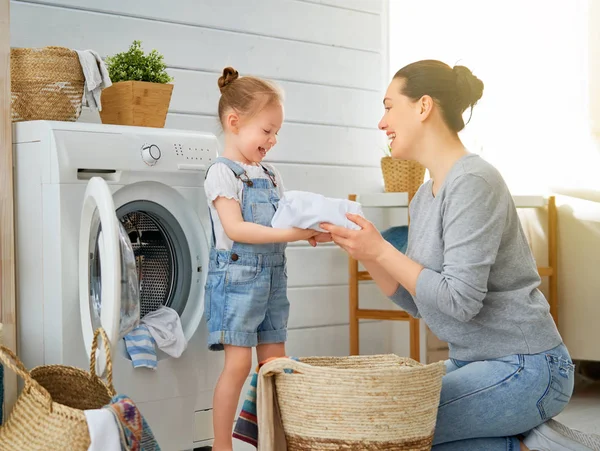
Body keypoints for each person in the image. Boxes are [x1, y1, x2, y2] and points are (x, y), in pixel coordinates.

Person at [321, 60, 600, 451]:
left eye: (388, 106)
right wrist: (365, 251)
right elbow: (417, 300)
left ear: (423, 106)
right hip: (477, 363)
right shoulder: (423, 196)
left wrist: (382, 248)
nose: (382, 122)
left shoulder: (473, 181)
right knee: (393, 422)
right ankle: (524, 443)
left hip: (527, 366)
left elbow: (459, 300)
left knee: (398, 428)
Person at [203, 67, 328, 451]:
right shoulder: (221, 174)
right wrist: (293, 233)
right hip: (237, 282)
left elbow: (282, 219)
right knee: (238, 365)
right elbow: (237, 229)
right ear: (234, 122)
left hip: (273, 280)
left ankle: (274, 442)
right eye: (266, 130)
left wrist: (311, 228)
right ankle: (222, 446)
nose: (272, 140)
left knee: (275, 367)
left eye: (276, 133)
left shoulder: (271, 175)